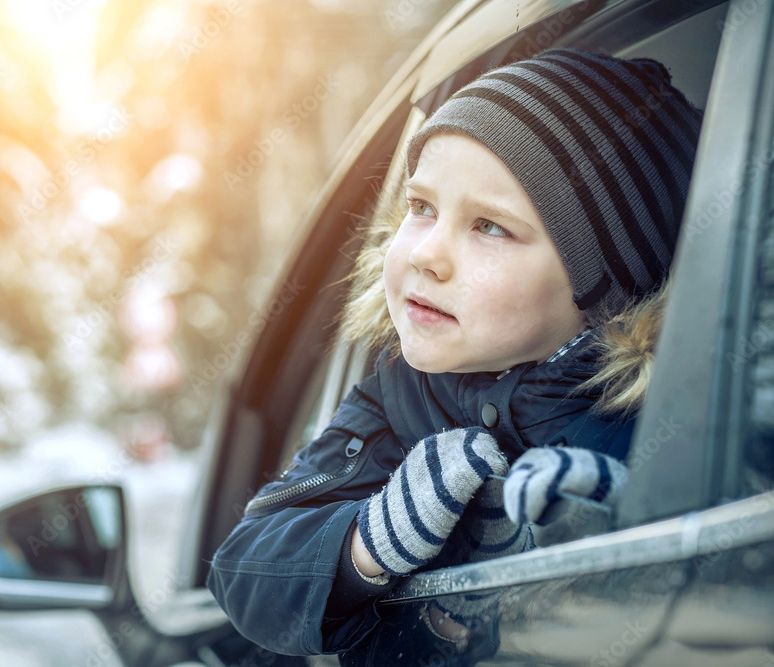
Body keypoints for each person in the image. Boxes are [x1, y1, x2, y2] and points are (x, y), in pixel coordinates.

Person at [207, 48, 702, 665]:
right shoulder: (400, 392)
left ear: (603, 284)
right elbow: (242, 568)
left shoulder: (668, 423)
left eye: (490, 226)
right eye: (421, 208)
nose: (424, 254)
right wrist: (370, 543)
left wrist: (610, 525)